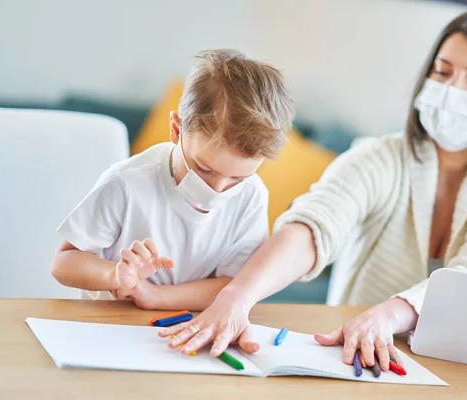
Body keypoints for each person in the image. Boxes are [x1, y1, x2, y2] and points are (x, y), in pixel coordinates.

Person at [160, 9, 467, 371]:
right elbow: (314, 224)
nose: (452, 90)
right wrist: (237, 297)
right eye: (441, 73)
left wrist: (388, 316)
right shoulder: (380, 156)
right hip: (357, 357)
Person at [50, 49, 295, 311]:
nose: (217, 190)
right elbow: (64, 263)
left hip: (191, 327)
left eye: (238, 177)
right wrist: (115, 275)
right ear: (177, 130)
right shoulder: (127, 183)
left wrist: (158, 297)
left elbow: (236, 285)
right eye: (204, 169)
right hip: (113, 324)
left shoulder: (252, 195)